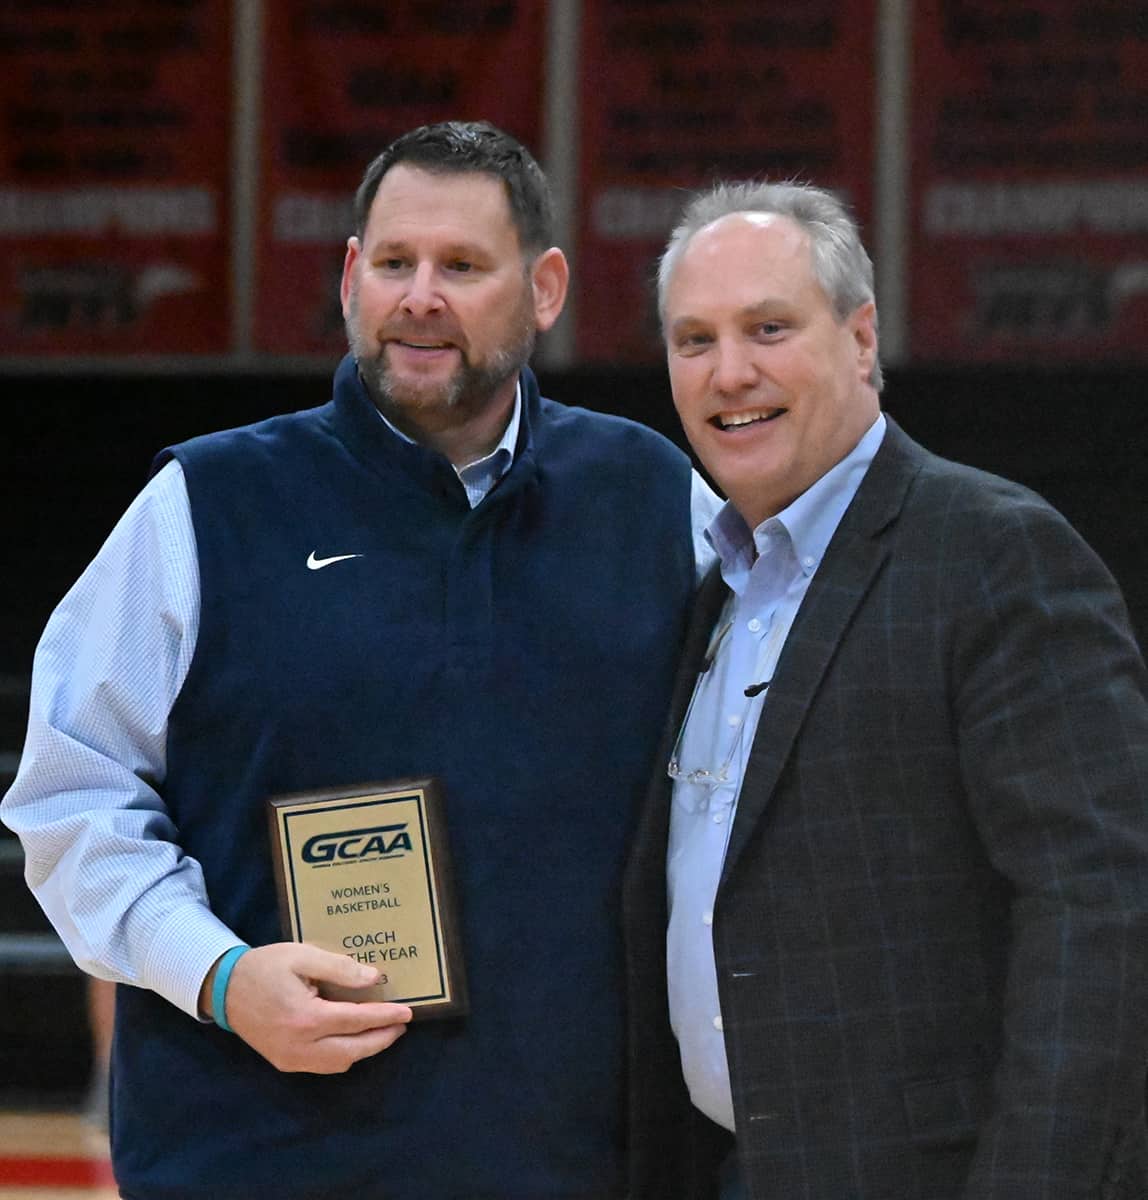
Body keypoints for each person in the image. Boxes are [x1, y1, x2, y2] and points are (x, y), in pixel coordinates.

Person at [2, 121, 719, 1200]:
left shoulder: (657, 501)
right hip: (251, 1160)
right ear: (350, 276)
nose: (419, 296)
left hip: (572, 1164)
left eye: (462, 267)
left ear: (545, 288)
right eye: (392, 263)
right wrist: (220, 975)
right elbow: (70, 796)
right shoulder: (206, 504)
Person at [622, 179, 1148, 1200]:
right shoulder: (709, 593)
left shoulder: (992, 551)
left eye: (767, 328)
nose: (729, 372)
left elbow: (1103, 913)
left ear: (860, 339)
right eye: (694, 340)